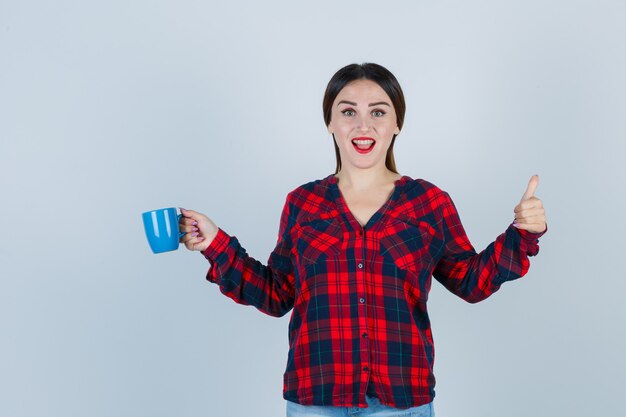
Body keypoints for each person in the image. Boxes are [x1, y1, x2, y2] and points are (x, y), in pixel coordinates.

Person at [178, 63, 547, 417]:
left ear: (397, 123)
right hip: (315, 402)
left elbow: (471, 281)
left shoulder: (428, 202)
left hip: (401, 403)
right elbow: (276, 294)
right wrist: (215, 243)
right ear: (330, 123)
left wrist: (522, 234)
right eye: (349, 112)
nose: (363, 124)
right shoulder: (302, 203)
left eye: (378, 112)